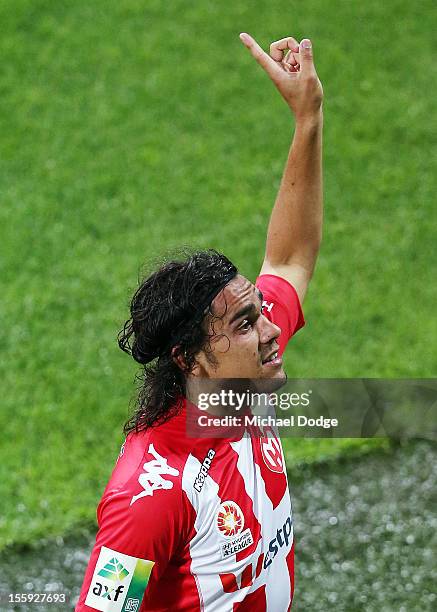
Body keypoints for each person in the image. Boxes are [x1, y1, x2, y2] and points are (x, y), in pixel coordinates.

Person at [76, 31, 323, 612]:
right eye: (243, 325)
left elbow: (287, 258)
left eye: (258, 314)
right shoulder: (151, 493)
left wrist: (307, 119)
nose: (269, 332)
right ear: (191, 361)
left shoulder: (245, 376)